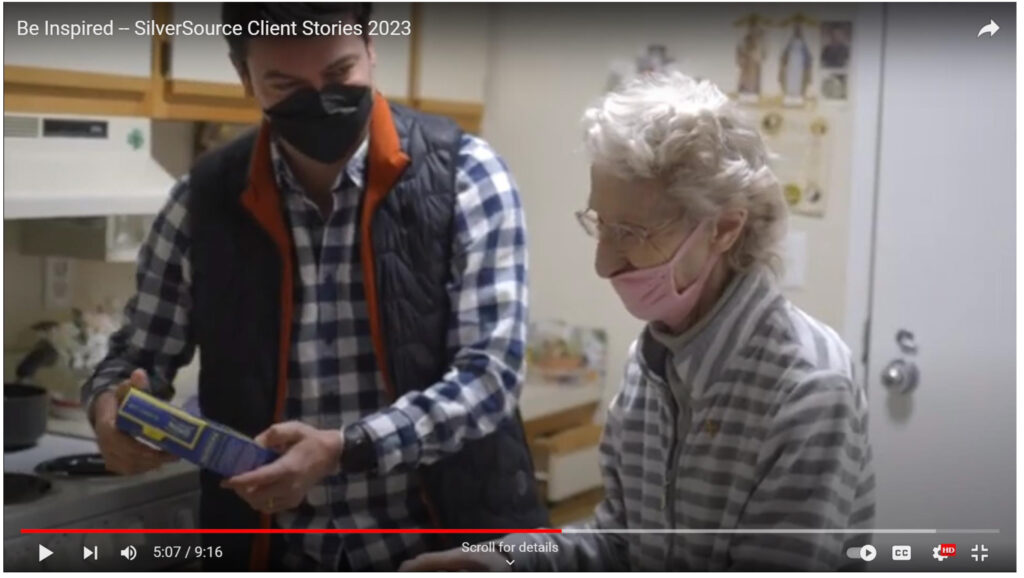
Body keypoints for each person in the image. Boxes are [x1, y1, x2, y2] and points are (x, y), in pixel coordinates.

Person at [81, 2, 546, 571]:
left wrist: (346, 448)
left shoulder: (466, 177)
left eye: (339, 72)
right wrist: (109, 407)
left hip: (447, 551)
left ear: (371, 50)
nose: (321, 99)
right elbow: (135, 356)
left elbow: (490, 377)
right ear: (244, 76)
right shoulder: (201, 203)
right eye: (285, 84)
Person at [402, 72, 875, 572]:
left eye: (630, 232)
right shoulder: (651, 362)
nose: (604, 263)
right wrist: (504, 557)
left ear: (723, 228)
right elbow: (617, 542)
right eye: (601, 226)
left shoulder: (808, 390)